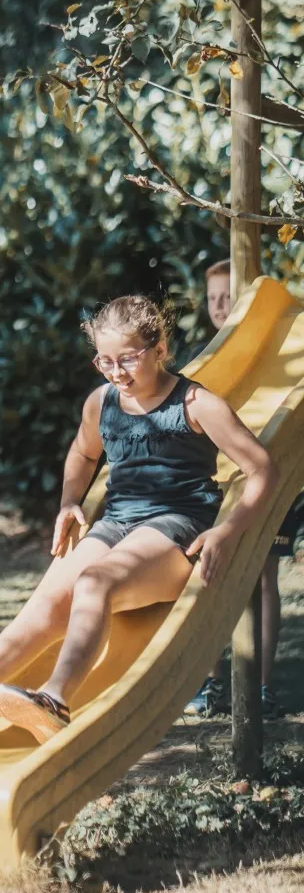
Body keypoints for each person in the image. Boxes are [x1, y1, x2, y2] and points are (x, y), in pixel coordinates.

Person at [0, 294, 276, 745]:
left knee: (94, 583)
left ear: (160, 349)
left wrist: (227, 530)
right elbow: (83, 452)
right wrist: (70, 501)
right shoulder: (102, 403)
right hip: (117, 522)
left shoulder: (196, 404)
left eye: (128, 359)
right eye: (105, 361)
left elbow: (263, 469)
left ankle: (54, 701)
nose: (116, 372)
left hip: (176, 528)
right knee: (49, 600)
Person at [185, 258, 295, 719]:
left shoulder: (286, 352)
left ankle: (261, 686)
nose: (220, 305)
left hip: (266, 477)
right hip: (215, 482)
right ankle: (210, 682)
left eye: (229, 296)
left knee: (263, 576)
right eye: (213, 298)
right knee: (211, 571)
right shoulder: (201, 360)